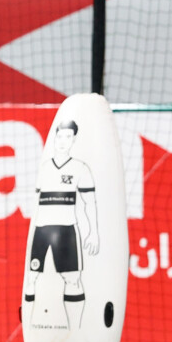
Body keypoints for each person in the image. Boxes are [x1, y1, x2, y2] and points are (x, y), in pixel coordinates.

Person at [24, 119, 99, 329]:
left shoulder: (80, 168)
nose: (63, 140)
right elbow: (36, 204)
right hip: (41, 231)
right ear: (54, 137)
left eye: (68, 136)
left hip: (66, 230)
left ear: (74, 139)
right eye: (60, 136)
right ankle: (30, 329)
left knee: (73, 279)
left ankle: (75, 331)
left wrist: (93, 232)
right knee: (31, 278)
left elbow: (89, 202)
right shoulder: (44, 168)